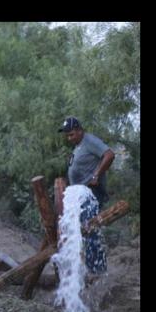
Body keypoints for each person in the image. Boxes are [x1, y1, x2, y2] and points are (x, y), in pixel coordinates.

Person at [58, 116, 115, 276]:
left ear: (79, 130)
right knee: (82, 233)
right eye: (67, 135)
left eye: (71, 134)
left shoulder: (89, 140)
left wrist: (96, 175)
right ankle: (87, 270)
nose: (69, 138)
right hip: (80, 196)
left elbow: (109, 154)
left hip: (90, 195)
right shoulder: (78, 146)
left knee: (90, 230)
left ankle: (97, 273)